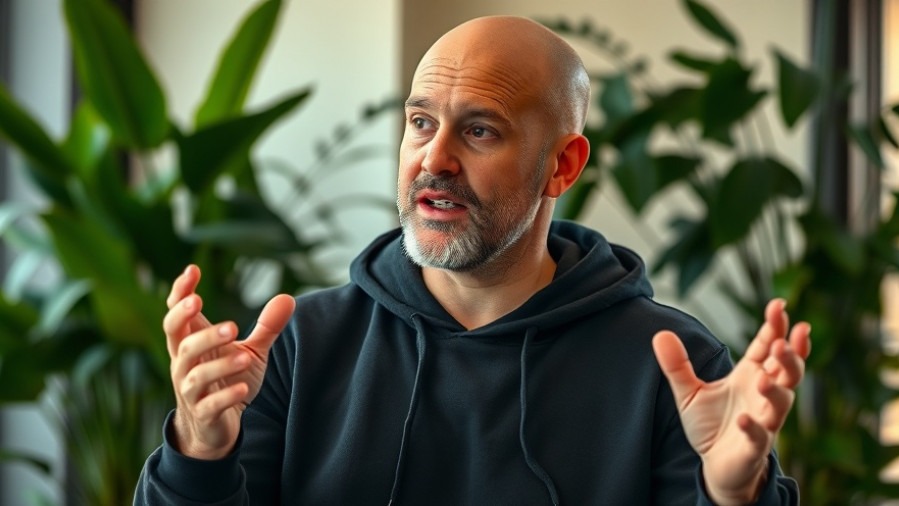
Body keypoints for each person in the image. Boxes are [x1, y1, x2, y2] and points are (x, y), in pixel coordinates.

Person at [134, 15, 810, 505]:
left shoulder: (673, 364)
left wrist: (733, 494)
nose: (434, 159)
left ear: (561, 165)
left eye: (479, 130)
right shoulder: (298, 345)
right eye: (421, 122)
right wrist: (199, 450)